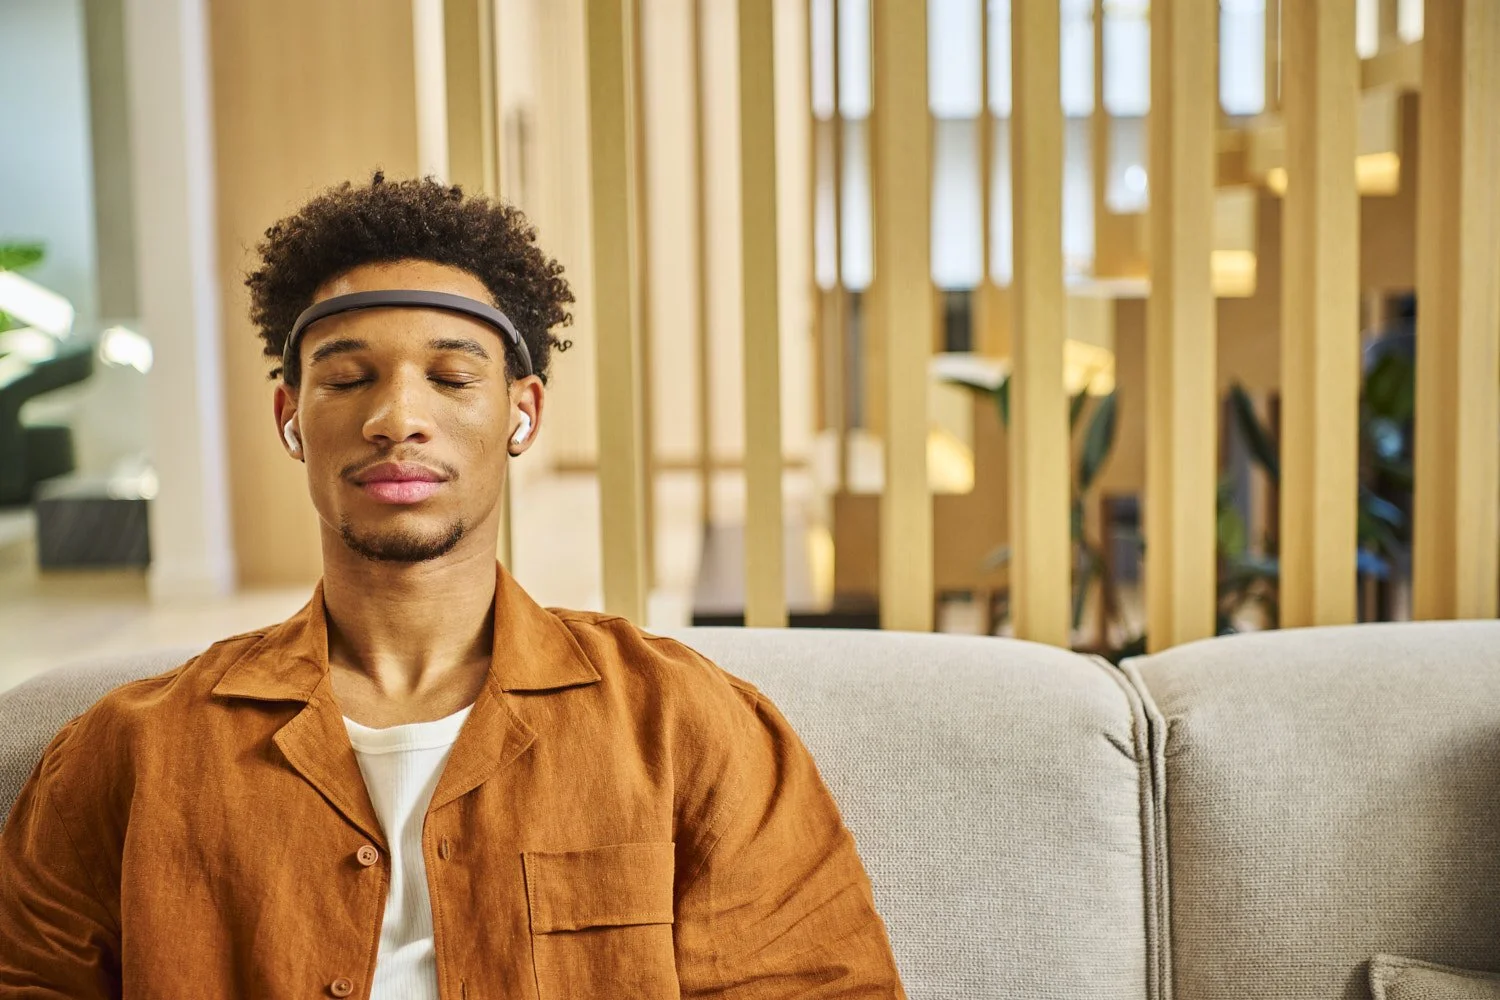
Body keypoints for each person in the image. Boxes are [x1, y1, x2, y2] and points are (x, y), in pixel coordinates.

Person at [0, 174, 906, 999]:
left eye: (451, 376)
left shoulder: (683, 727)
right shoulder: (135, 753)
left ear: (523, 410)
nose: (398, 419)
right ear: (292, 419)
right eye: (348, 378)